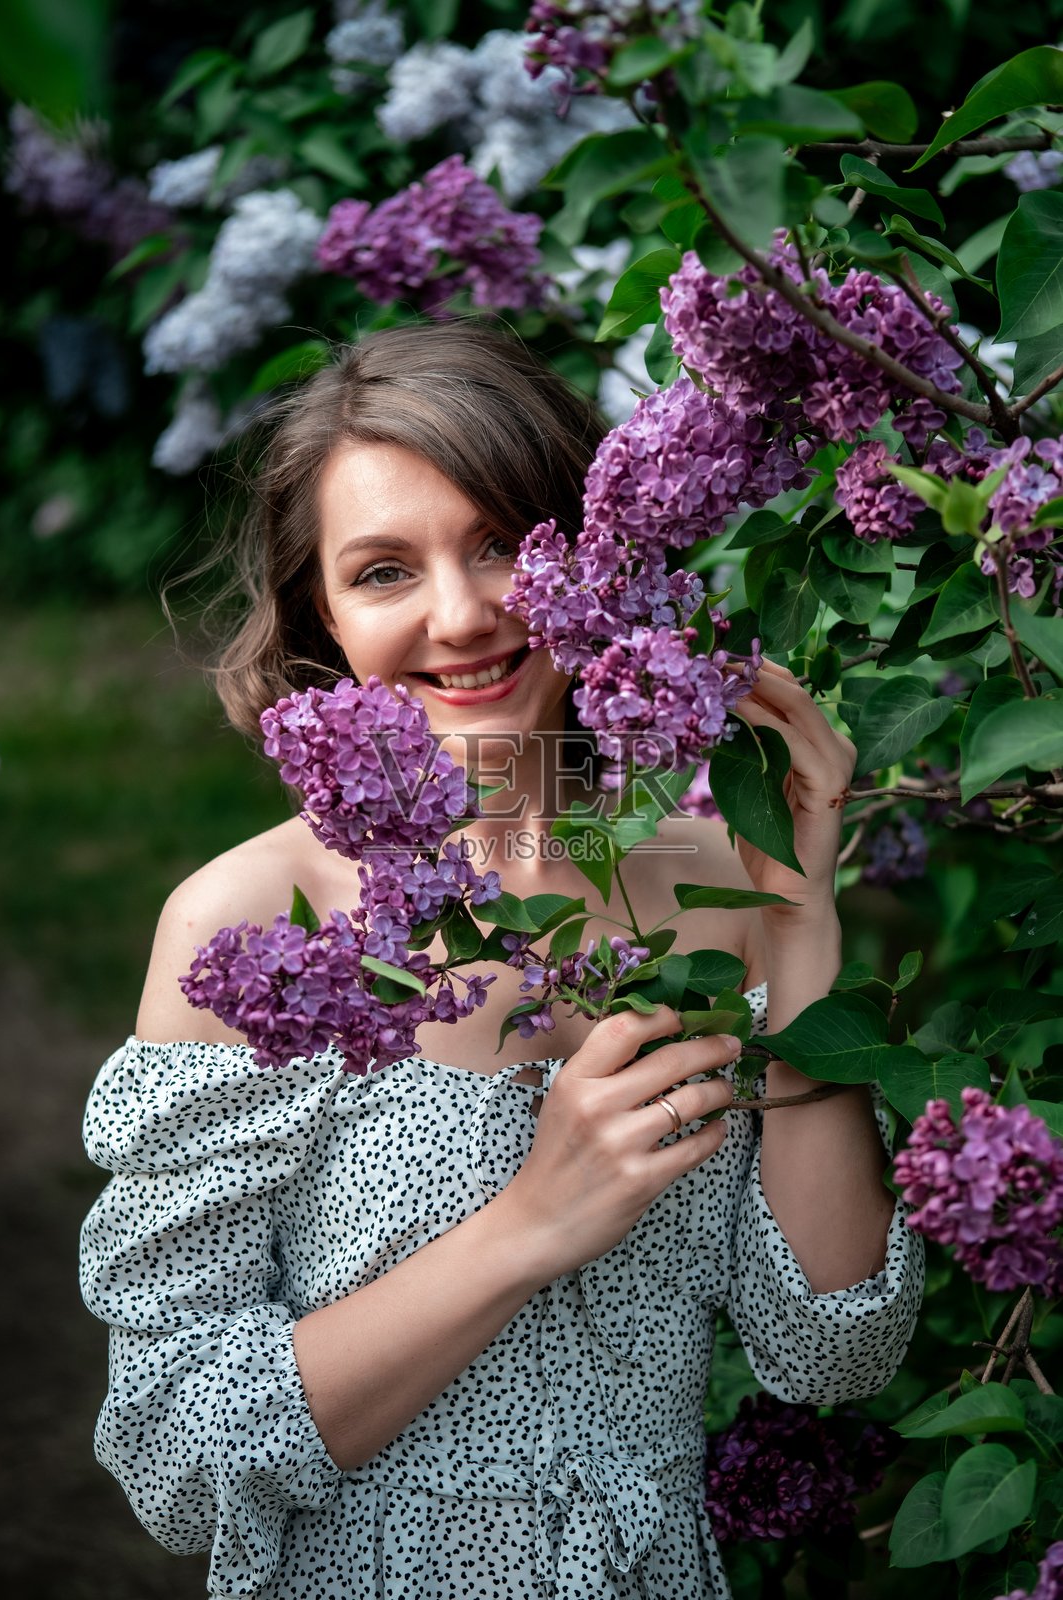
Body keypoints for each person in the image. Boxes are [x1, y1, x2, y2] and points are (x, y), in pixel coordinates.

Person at [80, 321, 922, 1600]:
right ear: (320, 609)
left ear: (593, 556)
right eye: (382, 571)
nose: (463, 613)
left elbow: (830, 1348)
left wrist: (799, 914)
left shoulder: (706, 880)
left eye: (499, 545)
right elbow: (179, 1456)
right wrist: (531, 1221)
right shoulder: (255, 922)